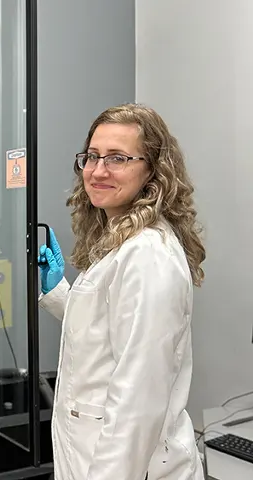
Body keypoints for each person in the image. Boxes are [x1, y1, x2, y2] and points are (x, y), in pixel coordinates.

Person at [38, 103, 206, 480]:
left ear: (153, 171)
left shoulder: (148, 256)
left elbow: (137, 402)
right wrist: (59, 291)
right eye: (92, 157)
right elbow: (113, 334)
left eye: (118, 158)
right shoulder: (122, 242)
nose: (97, 171)